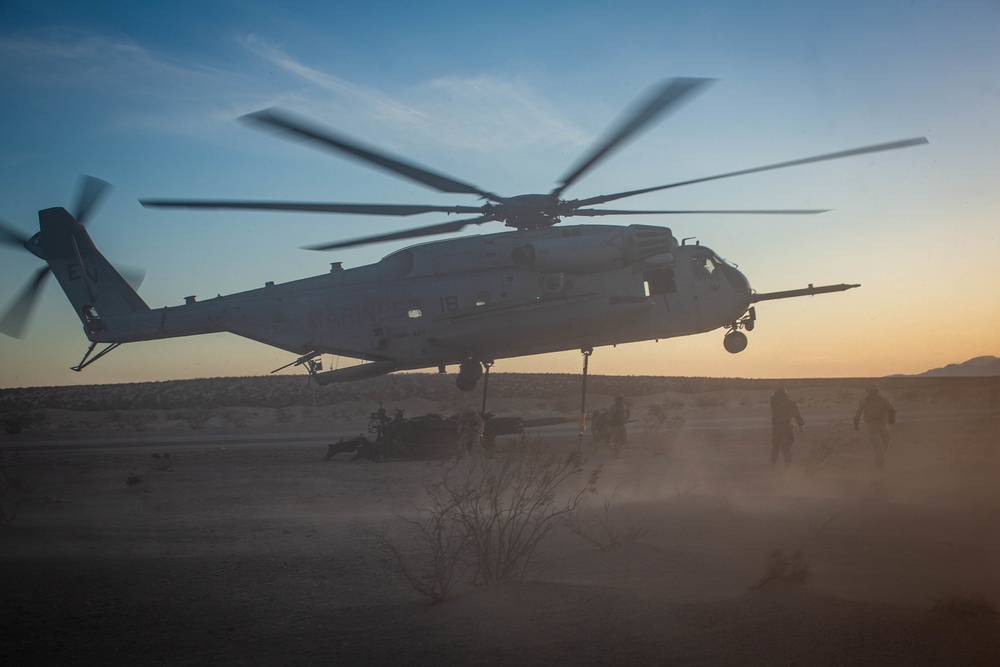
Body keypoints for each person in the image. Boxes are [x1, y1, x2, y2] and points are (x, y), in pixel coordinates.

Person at [854, 382, 896, 467]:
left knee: (886, 441)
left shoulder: (883, 400)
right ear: (868, 391)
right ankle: (879, 460)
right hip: (871, 424)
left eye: (875, 391)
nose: (873, 393)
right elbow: (858, 412)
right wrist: (856, 423)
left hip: (882, 423)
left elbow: (891, 409)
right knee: (876, 442)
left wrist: (891, 418)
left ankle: (879, 456)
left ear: (877, 391)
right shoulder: (864, 401)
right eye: (871, 391)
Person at [769, 387, 805, 467]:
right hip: (785, 427)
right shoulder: (789, 402)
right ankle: (787, 467)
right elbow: (797, 415)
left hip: (776, 428)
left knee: (775, 447)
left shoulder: (773, 402)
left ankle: (773, 465)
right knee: (786, 448)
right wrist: (801, 427)